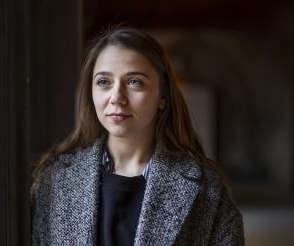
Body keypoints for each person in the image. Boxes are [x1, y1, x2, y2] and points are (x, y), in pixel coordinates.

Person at [31, 26, 245, 246]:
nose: (117, 97)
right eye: (104, 82)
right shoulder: (54, 178)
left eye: (134, 82)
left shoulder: (207, 188)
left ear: (163, 96)